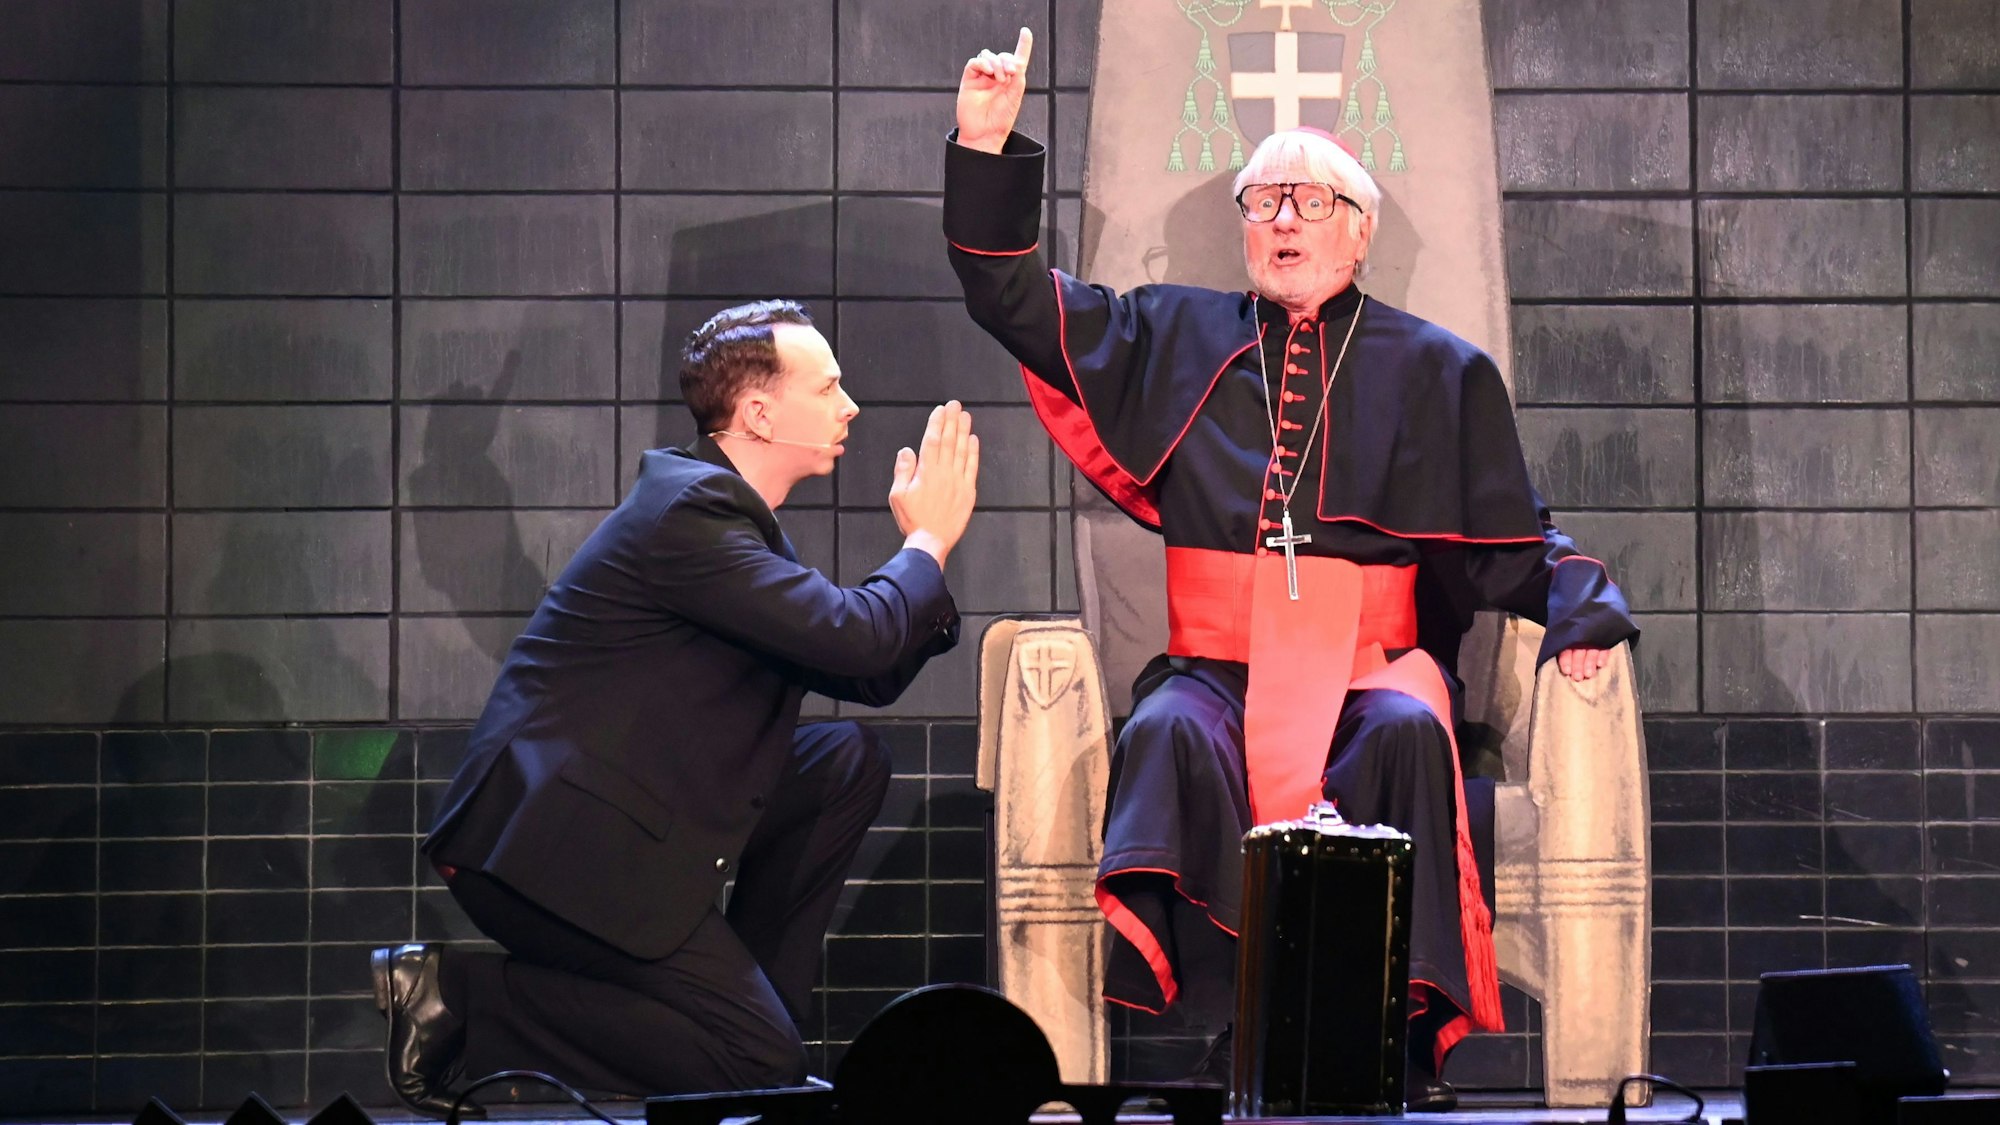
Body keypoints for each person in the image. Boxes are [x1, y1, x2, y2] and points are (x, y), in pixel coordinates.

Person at [946, 30, 1637, 1112]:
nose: (1279, 222)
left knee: (1411, 734)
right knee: (1168, 732)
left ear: (1357, 232)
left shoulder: (1439, 370)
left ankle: (1391, 1045)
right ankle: (1238, 1031)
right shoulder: (1172, 334)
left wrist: (1583, 613)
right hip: (1217, 664)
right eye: (1261, 202)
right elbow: (1019, 305)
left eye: (1307, 203)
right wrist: (985, 154)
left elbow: (1509, 539)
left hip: (1372, 661)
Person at [372, 300, 980, 1117]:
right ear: (758, 412)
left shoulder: (727, 523)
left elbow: (862, 668)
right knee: (751, 1058)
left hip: (625, 834)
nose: (850, 406)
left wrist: (923, 568)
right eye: (828, 387)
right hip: (552, 851)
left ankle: (762, 1027)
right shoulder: (689, 517)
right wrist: (925, 544)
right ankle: (460, 1000)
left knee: (843, 762)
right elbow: (855, 635)